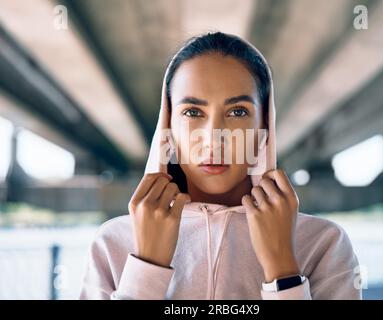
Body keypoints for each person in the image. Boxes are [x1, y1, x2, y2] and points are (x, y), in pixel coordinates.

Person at [79, 31, 362, 300]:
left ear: (265, 127)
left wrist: (282, 269)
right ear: (168, 126)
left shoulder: (324, 244)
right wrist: (147, 266)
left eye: (238, 112)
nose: (214, 139)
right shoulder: (114, 243)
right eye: (192, 112)